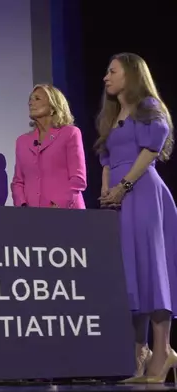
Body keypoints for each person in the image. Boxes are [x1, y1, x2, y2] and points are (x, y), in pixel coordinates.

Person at [96, 52, 177, 384]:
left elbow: (151, 151)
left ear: (130, 73)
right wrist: (107, 191)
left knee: (151, 271)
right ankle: (138, 354)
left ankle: (164, 353)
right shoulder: (112, 115)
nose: (106, 77)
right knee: (129, 276)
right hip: (118, 200)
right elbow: (106, 157)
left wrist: (125, 185)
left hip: (144, 194)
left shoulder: (149, 108)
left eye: (112, 71)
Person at [11, 84, 87, 208]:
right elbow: (18, 182)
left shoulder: (70, 133)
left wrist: (58, 205)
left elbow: (78, 179)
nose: (31, 103)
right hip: (32, 216)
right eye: (30, 99)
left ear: (53, 106)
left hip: (66, 211)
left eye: (37, 99)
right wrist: (22, 206)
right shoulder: (22, 141)